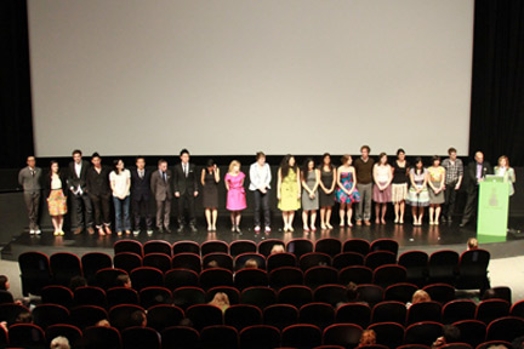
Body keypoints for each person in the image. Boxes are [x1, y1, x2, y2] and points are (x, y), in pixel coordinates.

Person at [460, 151, 493, 227]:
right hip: (473, 186)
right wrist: (477, 180)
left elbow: (489, 174)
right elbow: (471, 174)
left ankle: (482, 221)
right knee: (469, 204)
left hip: (484, 187)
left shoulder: (486, 165)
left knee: (483, 205)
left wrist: (483, 180)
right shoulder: (471, 165)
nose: (481, 160)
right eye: (479, 158)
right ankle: (465, 221)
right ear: (475, 158)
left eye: (482, 158)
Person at [67, 150, 94, 235]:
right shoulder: (71, 165)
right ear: (73, 158)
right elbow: (70, 178)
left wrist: (86, 188)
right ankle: (80, 226)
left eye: (78, 156)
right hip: (75, 190)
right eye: (75, 157)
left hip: (84, 189)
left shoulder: (86, 164)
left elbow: (89, 176)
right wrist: (71, 187)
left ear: (81, 156)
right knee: (78, 209)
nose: (77, 158)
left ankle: (89, 226)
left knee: (89, 208)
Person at [86, 153, 112, 236]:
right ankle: (99, 227)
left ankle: (107, 225)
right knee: (97, 211)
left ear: (100, 160)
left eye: (98, 160)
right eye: (95, 160)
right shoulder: (90, 171)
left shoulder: (106, 169)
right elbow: (88, 183)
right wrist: (91, 194)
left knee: (106, 210)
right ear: (92, 161)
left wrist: (109, 193)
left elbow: (109, 181)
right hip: (95, 194)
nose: (96, 162)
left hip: (105, 193)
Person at [174, 149, 199, 233]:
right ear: (181, 157)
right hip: (181, 190)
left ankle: (192, 224)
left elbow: (195, 179)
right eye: (184, 156)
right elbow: (175, 180)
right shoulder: (177, 167)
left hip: (190, 190)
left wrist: (196, 189)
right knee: (180, 208)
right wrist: (176, 190)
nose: (186, 158)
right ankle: (181, 224)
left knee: (192, 208)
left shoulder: (192, 166)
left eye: (187, 157)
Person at [18, 156, 43, 235]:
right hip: (28, 192)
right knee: (30, 209)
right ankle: (31, 226)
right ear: (27, 162)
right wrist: (27, 187)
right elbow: (20, 181)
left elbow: (40, 180)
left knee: (36, 209)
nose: (32, 162)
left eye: (33, 160)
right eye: (30, 161)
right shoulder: (23, 171)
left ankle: (36, 225)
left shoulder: (39, 170)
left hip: (37, 191)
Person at [249, 151, 272, 233]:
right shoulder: (253, 166)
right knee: (257, 207)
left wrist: (265, 186)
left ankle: (267, 224)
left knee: (266, 207)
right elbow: (252, 178)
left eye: (264, 158)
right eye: (261, 159)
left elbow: (269, 177)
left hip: (265, 188)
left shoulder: (267, 166)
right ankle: (257, 224)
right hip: (256, 188)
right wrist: (259, 187)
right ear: (258, 159)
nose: (263, 160)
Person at [277, 154, 301, 232]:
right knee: (285, 208)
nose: (293, 161)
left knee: (292, 208)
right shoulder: (281, 169)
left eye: (293, 160)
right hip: (285, 188)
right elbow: (279, 181)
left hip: (293, 189)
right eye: (291, 160)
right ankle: (285, 224)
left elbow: (298, 180)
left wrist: (299, 192)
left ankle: (290, 224)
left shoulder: (296, 169)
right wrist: (278, 192)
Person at [335, 155, 360, 227]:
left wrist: (351, 189)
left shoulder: (352, 168)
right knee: (342, 205)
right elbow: (338, 181)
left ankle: (349, 220)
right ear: (346, 160)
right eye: (350, 159)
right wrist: (345, 190)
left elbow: (355, 180)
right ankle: (342, 220)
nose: (351, 160)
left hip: (351, 187)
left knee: (349, 206)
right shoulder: (340, 169)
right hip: (342, 187)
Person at [131, 156, 153, 236]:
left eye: (142, 162)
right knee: (136, 212)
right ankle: (137, 228)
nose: (141, 164)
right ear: (136, 163)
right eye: (139, 162)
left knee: (148, 212)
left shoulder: (148, 172)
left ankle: (149, 227)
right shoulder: (133, 172)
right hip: (136, 195)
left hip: (146, 194)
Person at [354, 145, 375, 226]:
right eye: (362, 152)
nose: (363, 153)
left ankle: (366, 218)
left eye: (365, 152)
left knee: (368, 202)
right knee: (359, 202)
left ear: (368, 153)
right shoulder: (357, 161)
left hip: (369, 183)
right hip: (360, 184)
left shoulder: (371, 161)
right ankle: (358, 218)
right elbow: (355, 172)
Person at [441, 147, 464, 223]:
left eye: (455, 154)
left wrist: (458, 183)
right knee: (446, 200)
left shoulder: (459, 162)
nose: (454, 156)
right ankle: (443, 215)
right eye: (452, 155)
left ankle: (449, 215)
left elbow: (460, 173)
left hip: (454, 183)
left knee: (452, 201)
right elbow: (442, 173)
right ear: (449, 155)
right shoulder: (445, 162)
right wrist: (443, 183)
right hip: (447, 183)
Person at [46, 161, 68, 236]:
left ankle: (60, 228)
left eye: (57, 166)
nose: (56, 168)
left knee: (61, 213)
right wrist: (47, 197)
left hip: (60, 193)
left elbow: (65, 185)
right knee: (54, 213)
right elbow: (46, 187)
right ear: (51, 167)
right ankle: (56, 228)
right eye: (54, 166)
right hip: (52, 194)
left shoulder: (62, 175)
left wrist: (65, 195)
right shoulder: (48, 176)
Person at [110, 159, 131, 236]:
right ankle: (119, 229)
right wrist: (118, 194)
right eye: (120, 163)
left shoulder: (127, 172)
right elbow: (112, 185)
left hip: (126, 194)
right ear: (116, 165)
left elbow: (128, 183)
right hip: (116, 195)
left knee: (126, 212)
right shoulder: (112, 174)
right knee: (118, 213)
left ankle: (127, 227)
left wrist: (125, 193)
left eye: (122, 163)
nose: (122, 164)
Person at [150, 159, 172, 233]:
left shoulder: (168, 173)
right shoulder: (155, 174)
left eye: (166, 166)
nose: (165, 168)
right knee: (159, 211)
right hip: (159, 195)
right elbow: (152, 186)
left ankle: (166, 225)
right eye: (163, 166)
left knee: (167, 211)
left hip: (168, 194)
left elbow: (169, 183)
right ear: (159, 166)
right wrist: (156, 194)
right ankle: (159, 225)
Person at [225, 160, 247, 234]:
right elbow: (227, 185)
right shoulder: (228, 175)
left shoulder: (241, 174)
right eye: (236, 166)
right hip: (232, 193)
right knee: (233, 210)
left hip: (239, 193)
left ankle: (237, 225)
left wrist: (239, 190)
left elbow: (242, 183)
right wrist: (231, 191)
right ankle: (233, 225)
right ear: (233, 167)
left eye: (238, 166)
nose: (237, 168)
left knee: (238, 210)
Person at [407, 157, 429, 226]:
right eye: (418, 163)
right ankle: (415, 219)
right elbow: (412, 180)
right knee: (414, 205)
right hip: (414, 188)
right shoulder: (412, 170)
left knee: (421, 205)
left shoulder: (425, 170)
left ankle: (420, 219)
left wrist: (421, 188)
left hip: (422, 188)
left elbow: (425, 180)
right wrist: (416, 188)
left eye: (420, 163)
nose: (419, 164)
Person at [372, 152, 393, 225]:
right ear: (380, 158)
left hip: (386, 185)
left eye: (385, 158)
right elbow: (374, 176)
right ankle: (377, 217)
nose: (384, 159)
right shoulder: (376, 166)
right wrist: (379, 185)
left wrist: (385, 185)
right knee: (378, 203)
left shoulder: (388, 166)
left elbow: (390, 177)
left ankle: (382, 218)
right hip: (378, 184)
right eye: (383, 158)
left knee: (384, 203)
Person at [318, 153, 336, 229]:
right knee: (323, 206)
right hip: (323, 189)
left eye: (328, 158)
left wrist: (332, 188)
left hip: (331, 188)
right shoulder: (320, 168)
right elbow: (319, 179)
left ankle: (327, 222)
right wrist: (324, 189)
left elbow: (335, 179)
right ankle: (322, 222)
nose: (327, 160)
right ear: (323, 159)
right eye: (326, 158)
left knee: (329, 206)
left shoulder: (333, 167)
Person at [301, 158, 320, 232]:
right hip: (306, 191)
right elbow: (303, 182)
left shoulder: (316, 171)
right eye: (309, 165)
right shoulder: (303, 172)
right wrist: (309, 191)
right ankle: (305, 224)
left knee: (313, 209)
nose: (311, 166)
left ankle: (312, 224)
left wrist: (313, 191)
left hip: (314, 190)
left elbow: (317, 181)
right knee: (306, 209)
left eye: (312, 164)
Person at [201, 159, 220, 231]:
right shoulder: (204, 170)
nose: (209, 168)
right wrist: (205, 186)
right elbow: (202, 180)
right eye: (208, 167)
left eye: (211, 167)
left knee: (214, 207)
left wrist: (214, 171)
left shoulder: (217, 170)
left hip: (214, 189)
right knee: (207, 207)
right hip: (207, 189)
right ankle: (209, 224)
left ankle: (214, 224)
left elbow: (217, 180)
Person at [392, 148, 409, 224]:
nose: (402, 156)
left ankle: (401, 217)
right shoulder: (394, 163)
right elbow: (392, 173)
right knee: (396, 202)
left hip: (403, 183)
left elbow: (407, 173)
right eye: (400, 154)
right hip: (395, 183)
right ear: (398, 155)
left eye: (403, 154)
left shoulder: (407, 163)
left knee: (402, 201)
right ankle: (396, 217)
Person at [427, 156, 446, 225]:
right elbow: (428, 180)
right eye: (435, 160)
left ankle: (436, 219)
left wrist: (440, 188)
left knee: (438, 204)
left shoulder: (442, 169)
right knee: (431, 204)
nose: (437, 162)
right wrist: (434, 188)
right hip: (432, 185)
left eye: (438, 160)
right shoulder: (429, 169)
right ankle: (431, 219)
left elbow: (443, 179)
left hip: (439, 185)